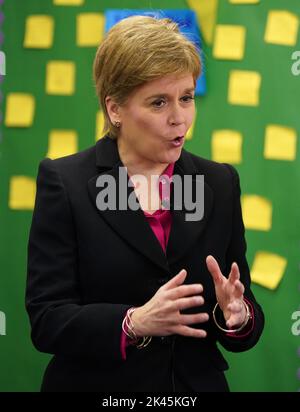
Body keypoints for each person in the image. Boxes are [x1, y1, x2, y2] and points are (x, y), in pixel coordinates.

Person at [26, 15, 264, 392]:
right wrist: (133, 322)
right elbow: (47, 319)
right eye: (158, 103)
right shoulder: (65, 182)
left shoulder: (219, 182)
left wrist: (236, 314)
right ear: (115, 109)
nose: (179, 119)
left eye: (186, 98)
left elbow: (243, 314)